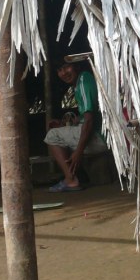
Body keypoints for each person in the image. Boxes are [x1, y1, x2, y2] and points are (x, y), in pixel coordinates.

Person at [45, 60, 107, 192]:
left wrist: (78, 152)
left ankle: (71, 180)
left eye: (66, 67)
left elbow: (89, 121)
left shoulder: (84, 79)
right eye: (60, 70)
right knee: (58, 132)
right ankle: (76, 174)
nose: (63, 73)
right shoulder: (80, 83)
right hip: (99, 134)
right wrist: (64, 125)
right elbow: (86, 117)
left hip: (99, 137)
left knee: (52, 136)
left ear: (76, 66)